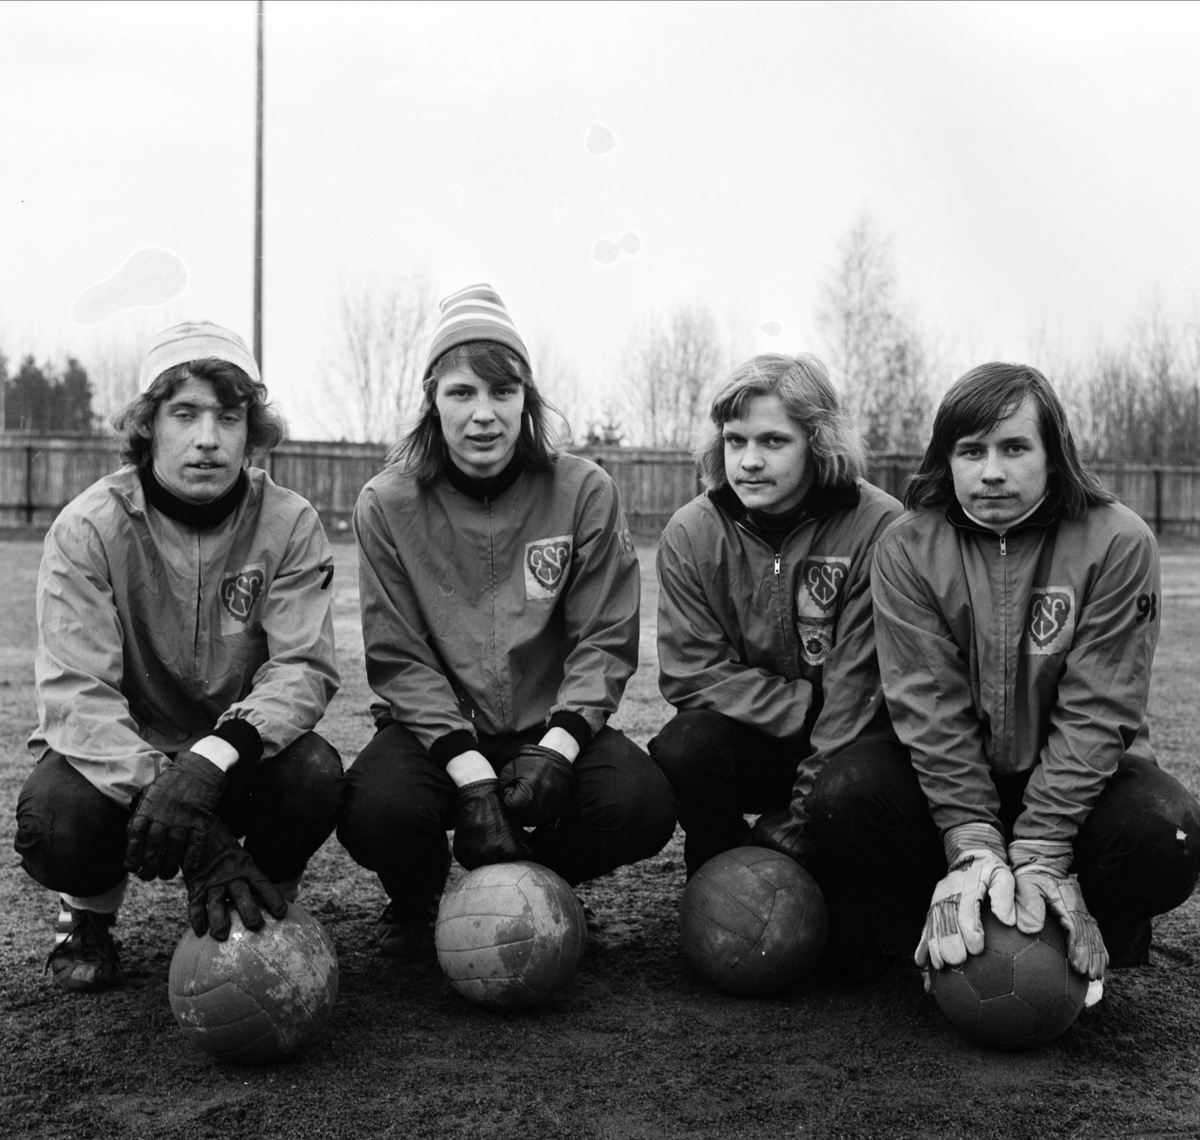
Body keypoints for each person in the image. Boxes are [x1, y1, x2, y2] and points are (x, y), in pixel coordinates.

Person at [337, 283, 677, 955]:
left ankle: (539, 885)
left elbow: (604, 638)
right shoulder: (387, 503)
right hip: (439, 732)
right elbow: (399, 656)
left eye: (503, 393)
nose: (484, 415)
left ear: (529, 401)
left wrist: (558, 749)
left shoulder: (583, 491)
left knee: (642, 803)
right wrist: (468, 771)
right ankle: (418, 892)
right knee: (374, 811)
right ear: (432, 399)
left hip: (545, 729)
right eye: (463, 393)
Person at [14, 321, 343, 992]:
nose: (207, 438)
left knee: (315, 775)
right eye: (185, 414)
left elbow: (303, 667)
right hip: (125, 760)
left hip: (237, 757)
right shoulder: (88, 527)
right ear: (147, 426)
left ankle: (265, 902)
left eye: (229, 417)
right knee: (56, 820)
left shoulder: (289, 523)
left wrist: (215, 755)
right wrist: (196, 832)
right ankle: (88, 913)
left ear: (252, 432)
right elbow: (79, 694)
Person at [871, 361, 1200, 999]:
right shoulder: (906, 546)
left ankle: (1086, 939)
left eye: (1014, 447)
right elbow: (927, 704)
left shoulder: (1118, 541)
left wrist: (1044, 844)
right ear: (948, 460)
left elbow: (1099, 708)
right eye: (971, 451)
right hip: (959, 776)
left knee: (1167, 832)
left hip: (1077, 777)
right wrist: (970, 839)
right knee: (851, 796)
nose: (991, 470)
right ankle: (944, 920)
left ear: (1054, 455)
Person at [649, 352, 909, 975]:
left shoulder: (881, 528)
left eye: (773, 440)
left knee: (853, 954)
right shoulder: (692, 531)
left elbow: (861, 688)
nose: (750, 460)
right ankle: (715, 887)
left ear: (818, 442)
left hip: (855, 744)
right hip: (772, 733)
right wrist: (802, 706)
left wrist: (792, 829)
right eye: (735, 440)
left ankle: (859, 893)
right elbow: (690, 669)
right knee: (685, 744)